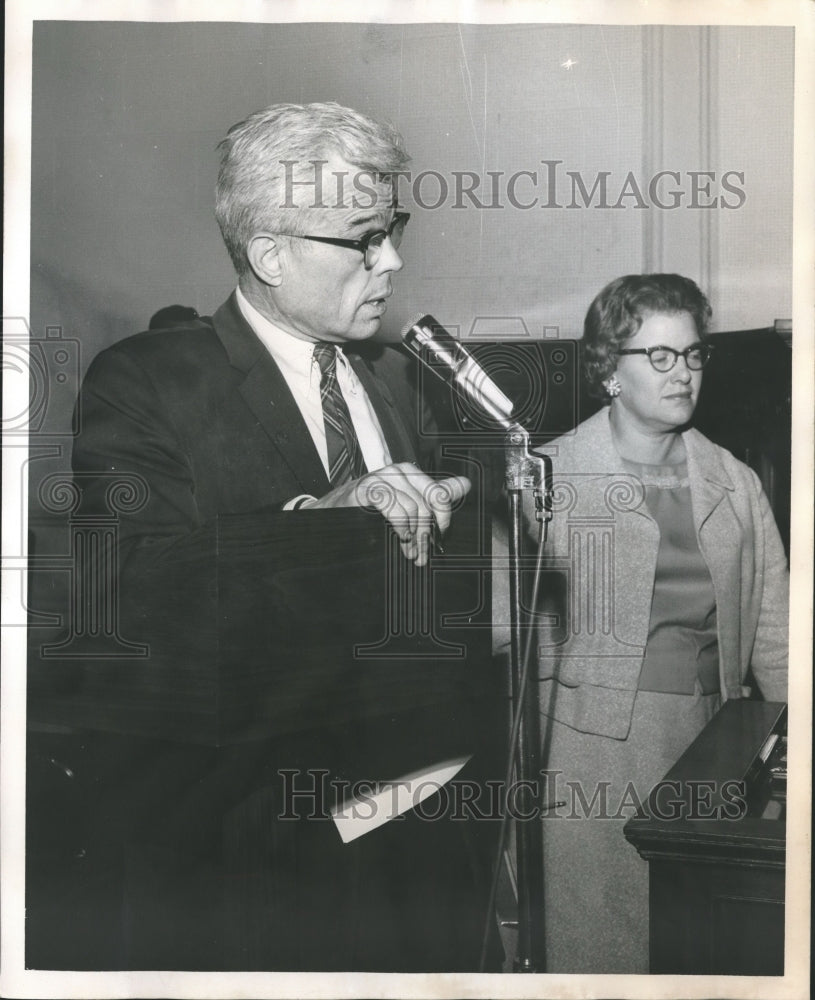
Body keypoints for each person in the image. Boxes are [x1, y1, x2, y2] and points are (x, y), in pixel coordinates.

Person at [66, 102, 500, 972]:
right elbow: (136, 602)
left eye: (395, 228)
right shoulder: (148, 382)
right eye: (364, 237)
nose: (394, 260)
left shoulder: (396, 384)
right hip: (256, 866)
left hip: (415, 843)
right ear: (270, 253)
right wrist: (323, 521)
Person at [517, 273, 789, 972]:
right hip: (590, 751)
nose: (683, 373)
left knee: (695, 946)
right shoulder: (546, 478)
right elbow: (498, 639)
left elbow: (774, 635)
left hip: (710, 742)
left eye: (693, 355)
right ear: (609, 369)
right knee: (600, 946)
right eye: (659, 357)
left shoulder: (734, 480)